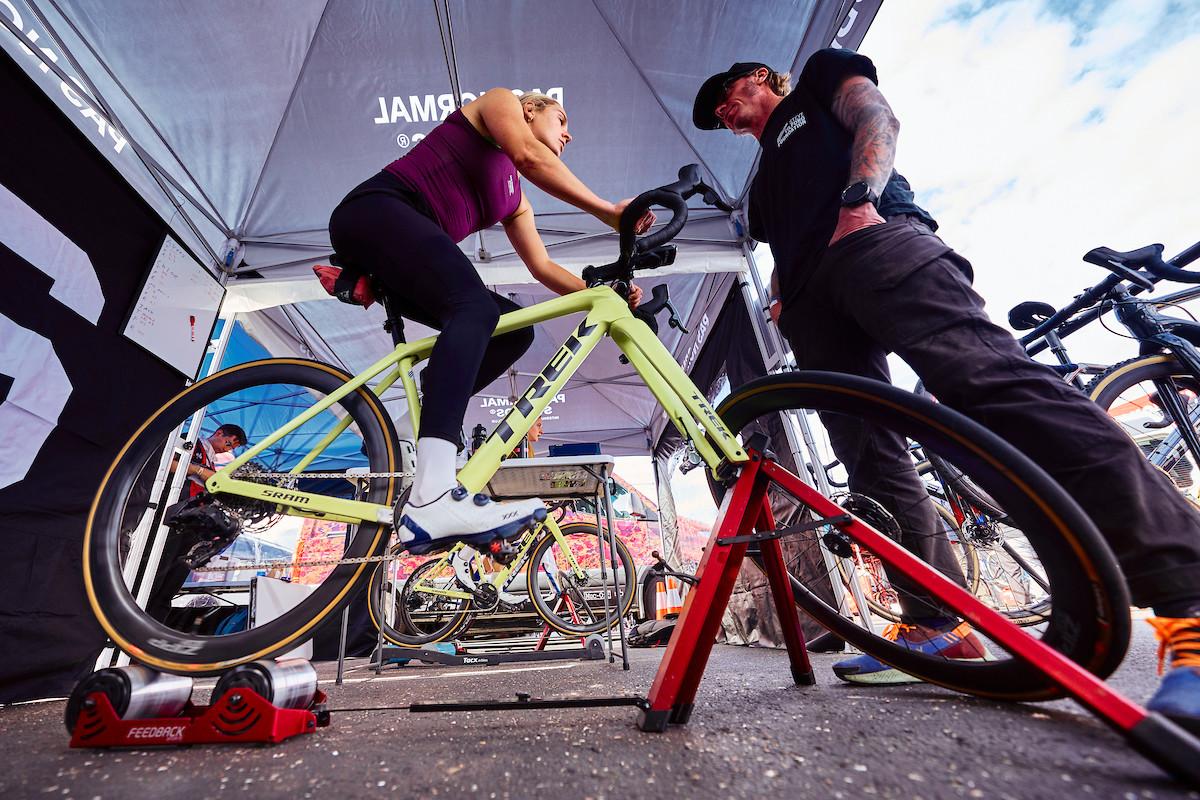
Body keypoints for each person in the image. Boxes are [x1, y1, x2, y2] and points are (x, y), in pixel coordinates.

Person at [692, 49, 1200, 730]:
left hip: (877, 242)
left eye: (727, 94)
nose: (724, 112)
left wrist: (861, 198)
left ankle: (1188, 597)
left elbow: (875, 114)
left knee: (987, 384)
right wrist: (784, 300)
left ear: (760, 79)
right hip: (814, 302)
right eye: (718, 114)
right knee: (870, 458)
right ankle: (937, 623)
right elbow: (777, 245)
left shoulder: (815, 81)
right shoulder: (760, 186)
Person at [328, 90, 652, 554]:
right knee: (475, 307)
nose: (568, 132)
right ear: (530, 110)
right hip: (377, 211)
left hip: (398, 248)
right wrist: (608, 212)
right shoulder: (498, 102)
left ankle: (428, 407)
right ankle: (432, 493)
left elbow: (541, 268)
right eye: (561, 118)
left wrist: (601, 294)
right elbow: (529, 155)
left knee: (515, 328)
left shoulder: (515, 200)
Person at [146, 424, 249, 620]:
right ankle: (141, 609)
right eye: (229, 443)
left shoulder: (212, 463)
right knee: (157, 569)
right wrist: (199, 471)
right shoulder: (190, 441)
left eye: (232, 448)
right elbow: (167, 463)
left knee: (174, 577)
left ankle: (155, 620)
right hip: (173, 514)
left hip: (192, 524)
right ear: (219, 433)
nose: (227, 449)